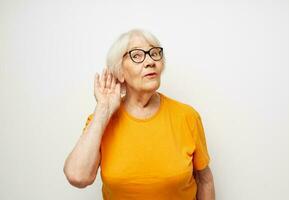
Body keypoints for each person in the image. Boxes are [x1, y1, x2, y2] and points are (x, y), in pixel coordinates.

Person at [63, 28, 215, 200]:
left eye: (155, 53)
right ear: (119, 72)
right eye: (137, 55)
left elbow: (205, 180)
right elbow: (77, 177)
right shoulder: (101, 120)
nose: (150, 61)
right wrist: (103, 110)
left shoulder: (187, 116)